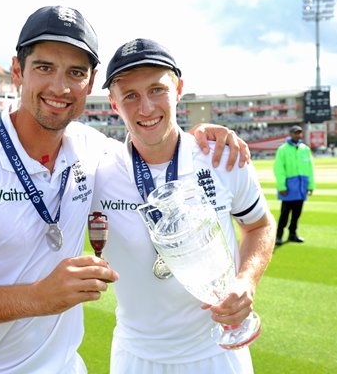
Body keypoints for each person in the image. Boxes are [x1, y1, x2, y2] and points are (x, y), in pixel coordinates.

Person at [0, 7, 249, 373]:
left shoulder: (93, 150)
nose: (60, 88)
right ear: (17, 70)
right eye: (44, 67)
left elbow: (154, 144)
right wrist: (35, 298)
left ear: (91, 82)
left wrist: (205, 136)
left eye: (75, 73)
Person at [91, 38, 276, 373]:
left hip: (219, 352)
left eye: (157, 90)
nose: (145, 108)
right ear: (113, 104)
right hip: (136, 356)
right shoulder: (97, 171)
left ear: (178, 88)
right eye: (130, 95)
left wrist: (246, 281)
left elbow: (259, 225)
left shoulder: (221, 156)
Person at [273, 125, 315, 245]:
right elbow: (279, 169)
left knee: (297, 214)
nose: (298, 135)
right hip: (289, 186)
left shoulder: (305, 149)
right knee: (285, 214)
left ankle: (293, 234)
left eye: (300, 133)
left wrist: (310, 186)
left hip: (302, 186)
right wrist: (281, 186)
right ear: (290, 134)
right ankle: (279, 236)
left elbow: (310, 168)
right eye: (296, 133)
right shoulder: (283, 149)